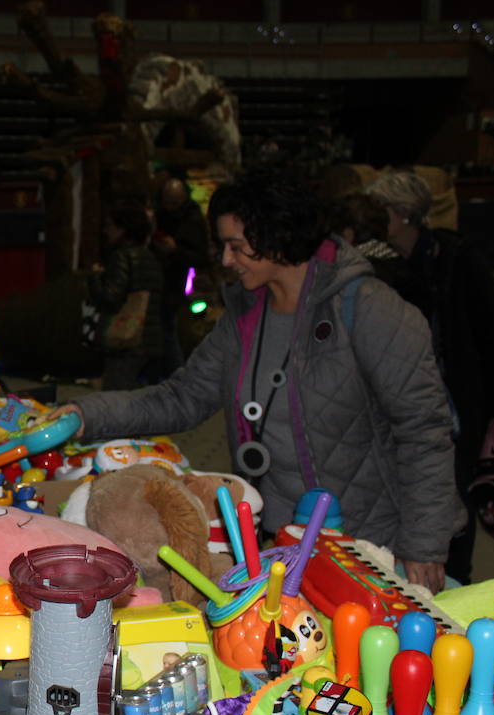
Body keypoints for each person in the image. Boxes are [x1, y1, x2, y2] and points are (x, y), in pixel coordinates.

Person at [52, 169, 462, 593]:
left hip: (371, 547)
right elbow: (181, 397)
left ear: (277, 235)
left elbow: (423, 431)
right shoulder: (245, 318)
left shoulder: (369, 309)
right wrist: (87, 414)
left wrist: (425, 546)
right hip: (280, 550)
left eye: (236, 246)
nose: (227, 260)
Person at [367, 170, 494, 583]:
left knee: (455, 493)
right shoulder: (381, 264)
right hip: (410, 399)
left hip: (459, 403)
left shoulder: (457, 259)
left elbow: (493, 334)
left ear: (402, 214)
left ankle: (456, 580)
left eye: (379, 209)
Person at [91, 202, 162, 391]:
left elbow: (111, 298)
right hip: (147, 337)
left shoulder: (121, 256)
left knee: (116, 398)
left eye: (109, 226)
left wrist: (96, 278)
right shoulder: (150, 256)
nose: (106, 231)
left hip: (125, 338)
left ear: (122, 229)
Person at [151, 177, 210, 376]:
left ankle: (177, 374)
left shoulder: (193, 220)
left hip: (180, 281)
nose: (170, 207)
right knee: (164, 329)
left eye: (174, 202)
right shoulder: (160, 216)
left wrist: (175, 250)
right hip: (162, 279)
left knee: (171, 329)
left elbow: (200, 256)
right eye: (167, 201)